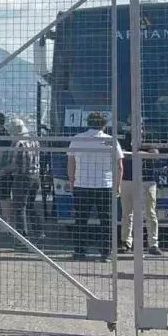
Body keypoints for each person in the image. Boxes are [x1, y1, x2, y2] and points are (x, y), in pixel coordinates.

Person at [67, 112, 122, 262]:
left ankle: (79, 251)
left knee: (80, 220)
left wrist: (72, 181)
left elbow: (71, 163)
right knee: (106, 221)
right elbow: (119, 166)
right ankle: (106, 253)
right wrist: (117, 186)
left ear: (87, 123)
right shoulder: (111, 140)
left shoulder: (77, 139)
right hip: (105, 185)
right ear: (104, 125)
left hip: (82, 184)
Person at [120, 122, 163, 256]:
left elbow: (155, 154)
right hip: (127, 178)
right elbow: (120, 155)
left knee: (150, 212)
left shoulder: (150, 138)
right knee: (127, 213)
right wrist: (140, 154)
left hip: (147, 179)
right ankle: (126, 242)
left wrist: (138, 153)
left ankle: (153, 244)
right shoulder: (125, 138)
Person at [6, 118, 42, 239]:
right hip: (35, 176)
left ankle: (22, 234)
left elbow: (14, 164)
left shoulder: (18, 143)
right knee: (30, 205)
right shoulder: (34, 140)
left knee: (19, 207)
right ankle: (38, 231)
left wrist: (2, 171)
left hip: (22, 178)